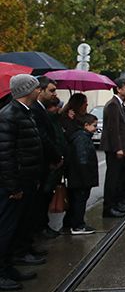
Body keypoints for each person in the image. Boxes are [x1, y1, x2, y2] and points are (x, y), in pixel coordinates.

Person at [0, 74, 43, 288]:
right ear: (27, 90)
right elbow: (5, 155)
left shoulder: (24, 113)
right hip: (14, 184)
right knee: (6, 228)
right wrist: (13, 187)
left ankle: (8, 268)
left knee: (16, 227)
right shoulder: (9, 115)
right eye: (36, 88)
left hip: (26, 180)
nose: (39, 91)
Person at [30, 77, 63, 241]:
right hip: (41, 163)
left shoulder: (40, 109)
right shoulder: (35, 110)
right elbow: (43, 137)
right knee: (38, 200)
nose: (54, 94)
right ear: (40, 90)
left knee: (44, 198)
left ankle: (42, 227)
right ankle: (37, 230)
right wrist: (55, 156)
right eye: (51, 90)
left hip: (46, 163)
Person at [64, 113, 98, 235]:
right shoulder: (82, 139)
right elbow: (82, 159)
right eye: (94, 125)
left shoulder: (80, 136)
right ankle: (78, 225)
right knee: (80, 200)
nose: (96, 128)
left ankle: (71, 223)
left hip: (77, 176)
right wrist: (85, 178)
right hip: (81, 177)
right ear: (86, 125)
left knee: (76, 200)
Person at [101, 79, 125, 218]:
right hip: (114, 149)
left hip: (119, 148)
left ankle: (115, 203)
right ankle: (109, 207)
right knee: (112, 179)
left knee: (118, 177)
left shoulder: (118, 104)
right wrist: (118, 148)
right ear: (118, 89)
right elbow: (113, 129)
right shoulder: (113, 105)